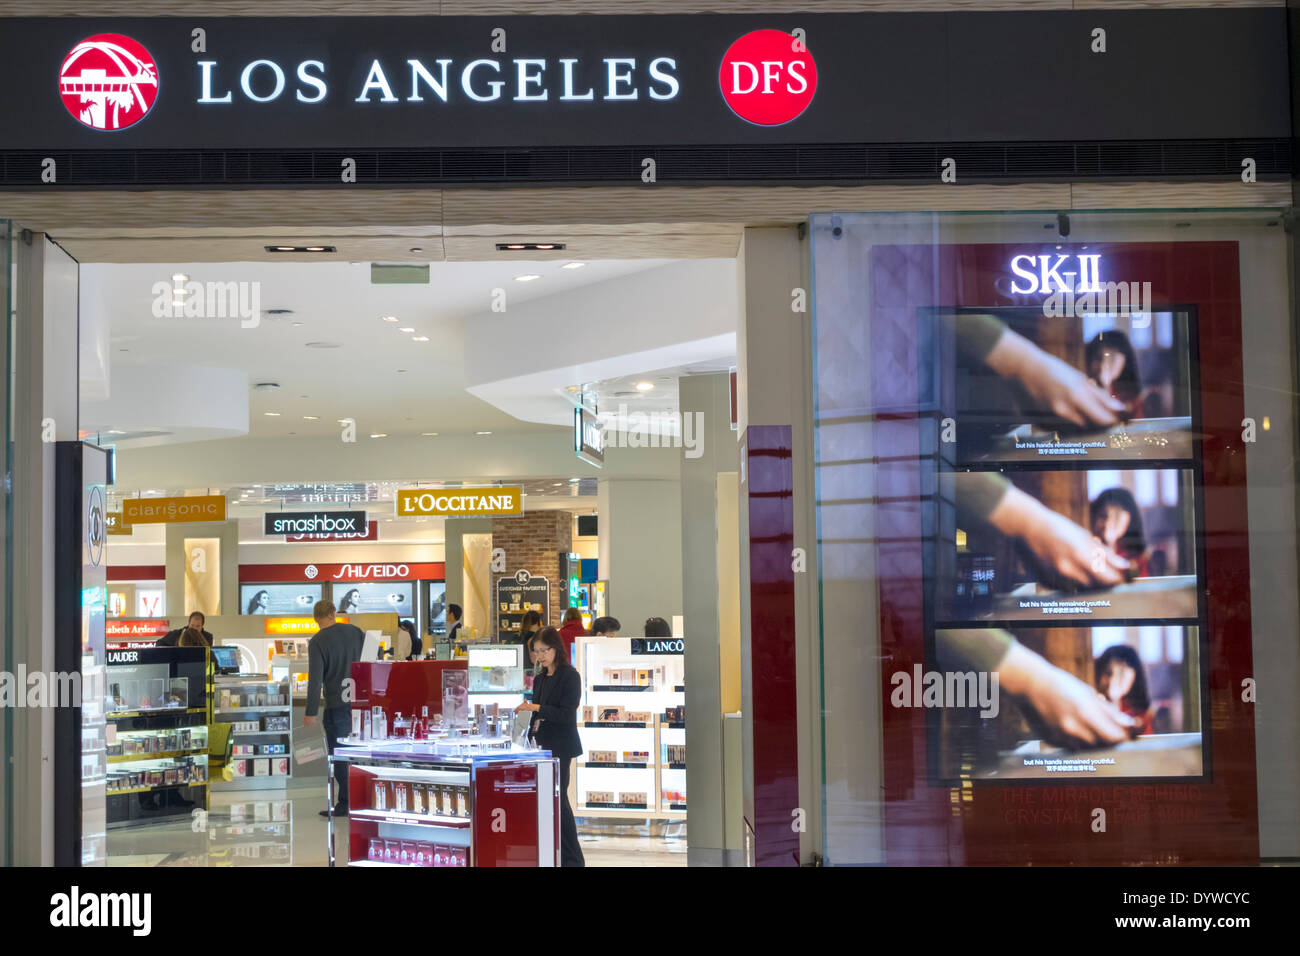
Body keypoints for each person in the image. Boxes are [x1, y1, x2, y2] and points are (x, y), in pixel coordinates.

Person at [516, 627, 584, 867]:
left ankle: (573, 859)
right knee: (552, 801)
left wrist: (535, 709)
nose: (540, 656)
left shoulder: (570, 676)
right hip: (541, 746)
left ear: (556, 648)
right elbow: (538, 715)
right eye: (536, 651)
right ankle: (560, 856)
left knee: (560, 800)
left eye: (544, 650)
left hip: (562, 746)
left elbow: (566, 714)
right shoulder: (541, 678)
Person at [302, 600, 365, 817]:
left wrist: (310, 711)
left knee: (339, 755)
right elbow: (371, 661)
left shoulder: (318, 641)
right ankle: (363, 801)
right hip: (360, 704)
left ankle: (345, 804)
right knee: (358, 754)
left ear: (315, 617)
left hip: (337, 705)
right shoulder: (356, 632)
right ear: (333, 613)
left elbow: (315, 680)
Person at [1095, 644, 1153, 736]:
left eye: (1121, 674)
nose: (1112, 680)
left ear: (1135, 676)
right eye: (1108, 673)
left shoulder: (1141, 713)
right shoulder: (1095, 702)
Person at [1084, 330, 1143, 415]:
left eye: (1112, 357)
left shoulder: (1133, 397)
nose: (1103, 364)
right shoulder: (1088, 388)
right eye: (1098, 357)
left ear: (1124, 359)